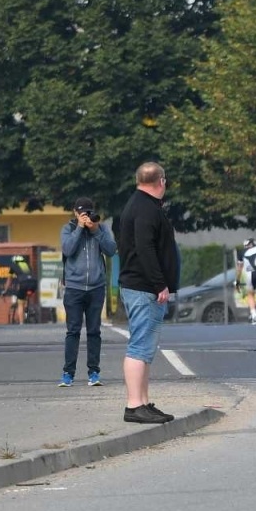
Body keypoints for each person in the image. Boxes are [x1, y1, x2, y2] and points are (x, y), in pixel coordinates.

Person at [115, 161, 179, 425]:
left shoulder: (139, 205)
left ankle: (143, 402)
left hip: (141, 286)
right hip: (143, 288)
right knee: (140, 346)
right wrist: (159, 283)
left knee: (145, 347)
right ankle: (134, 405)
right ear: (161, 181)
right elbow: (145, 248)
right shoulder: (146, 209)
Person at [60, 197, 116, 388]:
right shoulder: (68, 229)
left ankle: (94, 372)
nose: (86, 216)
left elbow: (111, 250)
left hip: (96, 287)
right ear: (75, 213)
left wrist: (95, 230)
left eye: (89, 212)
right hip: (74, 288)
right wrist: (79, 228)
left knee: (94, 331)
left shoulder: (101, 228)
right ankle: (68, 373)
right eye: (82, 213)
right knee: (73, 331)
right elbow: (67, 250)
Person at [4, 254, 38, 325]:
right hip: (34, 283)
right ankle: (29, 310)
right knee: (27, 297)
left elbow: (9, 280)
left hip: (24, 284)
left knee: (20, 303)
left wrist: (5, 290)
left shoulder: (13, 266)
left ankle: (21, 323)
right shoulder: (27, 265)